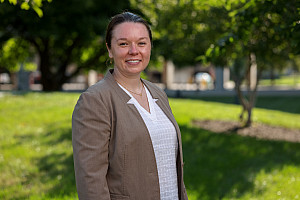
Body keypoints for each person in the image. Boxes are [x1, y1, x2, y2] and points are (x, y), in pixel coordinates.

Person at [72, 11, 188, 200]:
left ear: (150, 47)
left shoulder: (158, 93)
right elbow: (90, 182)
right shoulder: (95, 100)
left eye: (141, 43)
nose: (134, 51)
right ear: (110, 49)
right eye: (124, 44)